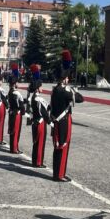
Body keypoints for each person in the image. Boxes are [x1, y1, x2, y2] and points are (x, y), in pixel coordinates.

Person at [50, 50, 81, 182]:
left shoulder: (55, 90)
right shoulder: (65, 91)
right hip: (63, 122)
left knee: (59, 148)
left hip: (57, 122)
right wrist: (74, 91)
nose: (69, 79)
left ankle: (58, 173)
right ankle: (59, 174)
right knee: (62, 147)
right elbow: (80, 99)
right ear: (64, 78)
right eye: (67, 77)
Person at [30, 69, 52, 168]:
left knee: (36, 142)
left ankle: (35, 161)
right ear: (38, 88)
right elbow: (44, 112)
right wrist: (50, 122)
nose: (42, 87)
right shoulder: (38, 99)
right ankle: (38, 162)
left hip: (35, 122)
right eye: (41, 86)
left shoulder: (33, 98)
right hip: (40, 123)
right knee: (40, 143)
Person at [7, 63, 25, 154]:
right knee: (16, 131)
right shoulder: (16, 93)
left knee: (12, 130)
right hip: (16, 113)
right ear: (14, 83)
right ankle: (14, 148)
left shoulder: (10, 92)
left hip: (11, 112)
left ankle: (13, 147)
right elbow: (20, 105)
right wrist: (23, 111)